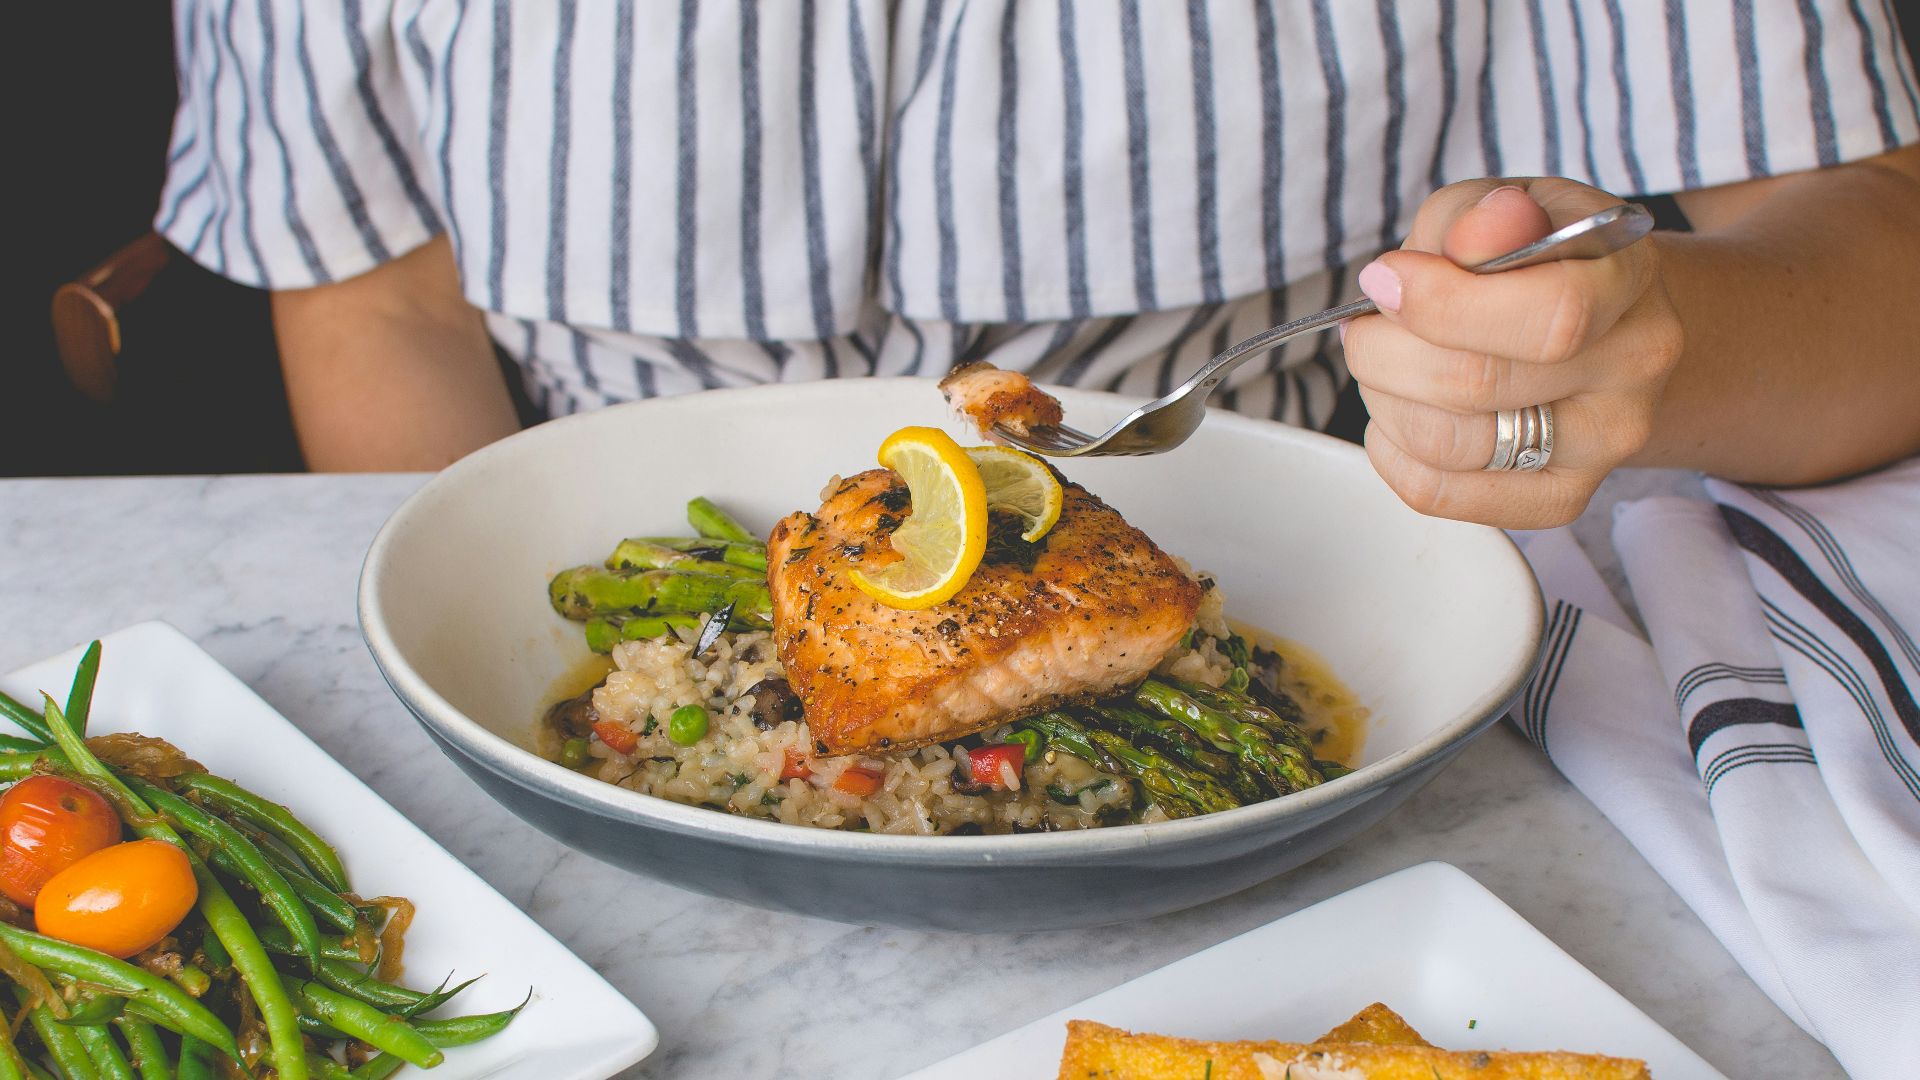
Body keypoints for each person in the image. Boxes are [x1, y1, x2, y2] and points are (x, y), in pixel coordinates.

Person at [156, 2, 1920, 528]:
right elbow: (381, 303)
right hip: (619, 583)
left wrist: (1636, 352)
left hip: (1324, 561)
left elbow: (1879, 263)